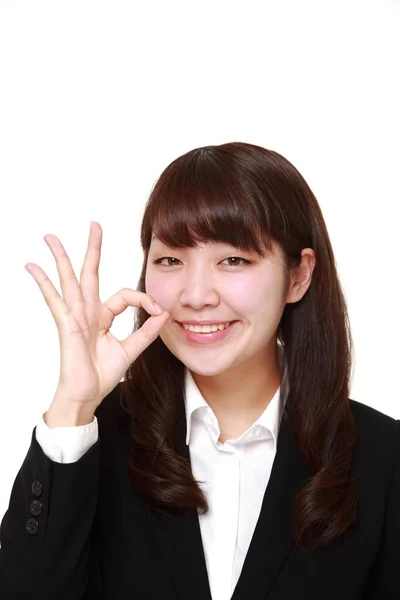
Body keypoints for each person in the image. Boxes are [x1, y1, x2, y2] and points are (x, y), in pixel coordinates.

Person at [0, 141, 399, 600]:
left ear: (298, 276)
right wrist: (73, 404)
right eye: (170, 259)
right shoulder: (98, 438)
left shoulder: (382, 459)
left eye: (233, 260)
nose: (196, 295)